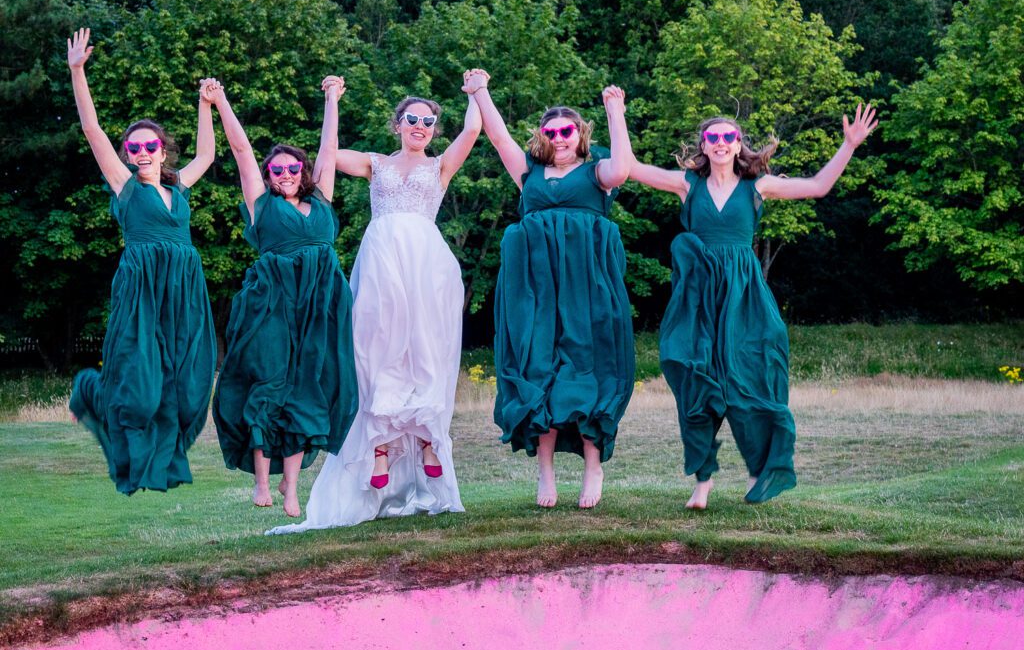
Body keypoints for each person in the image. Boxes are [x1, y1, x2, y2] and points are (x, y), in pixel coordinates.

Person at [629, 105, 878, 508]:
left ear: (739, 144)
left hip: (745, 298)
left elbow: (817, 186)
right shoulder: (687, 185)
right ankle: (703, 478)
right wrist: (617, 111)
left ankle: (760, 469)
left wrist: (849, 146)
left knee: (751, 380)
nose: (722, 143)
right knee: (692, 375)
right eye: (714, 138)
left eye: (730, 137)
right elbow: (631, 168)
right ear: (704, 146)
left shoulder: (758, 186)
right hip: (699, 299)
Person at [267, 82, 478, 534]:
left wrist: (474, 91)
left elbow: (474, 129)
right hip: (382, 261)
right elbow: (324, 159)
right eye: (413, 119)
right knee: (376, 350)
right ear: (398, 124)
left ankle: (425, 442)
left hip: (426, 264)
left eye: (428, 121)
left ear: (434, 129)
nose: (420, 126)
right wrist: (331, 102)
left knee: (424, 350)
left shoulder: (440, 167)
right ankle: (380, 445)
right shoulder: (374, 163)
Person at [465, 69, 635, 510]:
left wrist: (615, 113)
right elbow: (500, 138)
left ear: (580, 135)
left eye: (568, 131)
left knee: (589, 368)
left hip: (587, 289)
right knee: (537, 368)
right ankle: (545, 474)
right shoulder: (530, 174)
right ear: (543, 136)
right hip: (535, 291)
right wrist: (481, 91)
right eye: (551, 132)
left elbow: (623, 169)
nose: (559, 138)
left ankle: (593, 467)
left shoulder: (596, 172)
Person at [66, 28, 218, 495]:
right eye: (135, 148)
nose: (143, 153)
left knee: (189, 383)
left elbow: (208, 153)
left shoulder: (179, 186)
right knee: (141, 382)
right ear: (128, 155)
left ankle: (165, 452)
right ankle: (90, 390)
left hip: (185, 288)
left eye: (151, 146)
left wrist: (205, 105)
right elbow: (92, 130)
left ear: (163, 151)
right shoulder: (124, 185)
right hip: (143, 289)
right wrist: (77, 71)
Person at [210, 76, 359, 518]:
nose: (287, 175)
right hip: (271, 303)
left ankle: (292, 488)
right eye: (278, 170)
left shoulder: (323, 202)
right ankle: (262, 482)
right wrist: (220, 101)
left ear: (304, 173)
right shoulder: (261, 204)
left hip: (320, 305)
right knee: (269, 381)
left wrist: (332, 99)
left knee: (307, 388)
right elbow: (240, 151)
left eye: (294, 169)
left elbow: (329, 148)